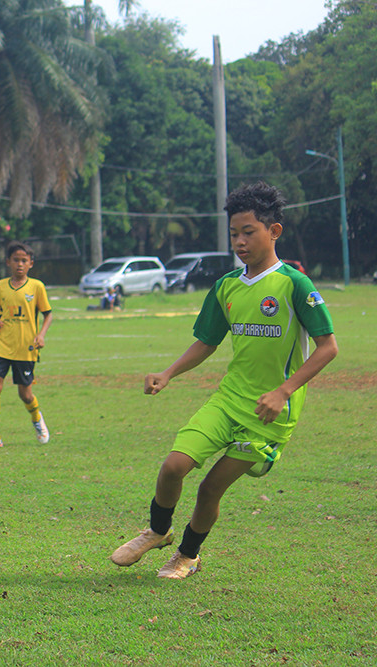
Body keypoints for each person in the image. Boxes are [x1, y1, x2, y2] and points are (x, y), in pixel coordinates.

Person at [110, 181, 338, 579]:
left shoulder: (294, 285)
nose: (240, 241)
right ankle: (157, 531)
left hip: (269, 414)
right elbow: (207, 342)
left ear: (274, 231)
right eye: (234, 233)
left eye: (249, 232)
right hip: (229, 399)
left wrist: (283, 391)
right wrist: (168, 373)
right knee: (172, 467)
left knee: (209, 489)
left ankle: (187, 556)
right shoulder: (227, 286)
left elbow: (328, 347)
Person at [0, 242, 53, 450]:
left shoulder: (37, 287)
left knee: (25, 393)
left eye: (24, 260)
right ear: (8, 262)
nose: (20, 264)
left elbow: (48, 314)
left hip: (26, 347)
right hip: (2, 345)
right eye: (16, 260)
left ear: (31, 263)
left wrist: (41, 335)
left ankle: (36, 417)